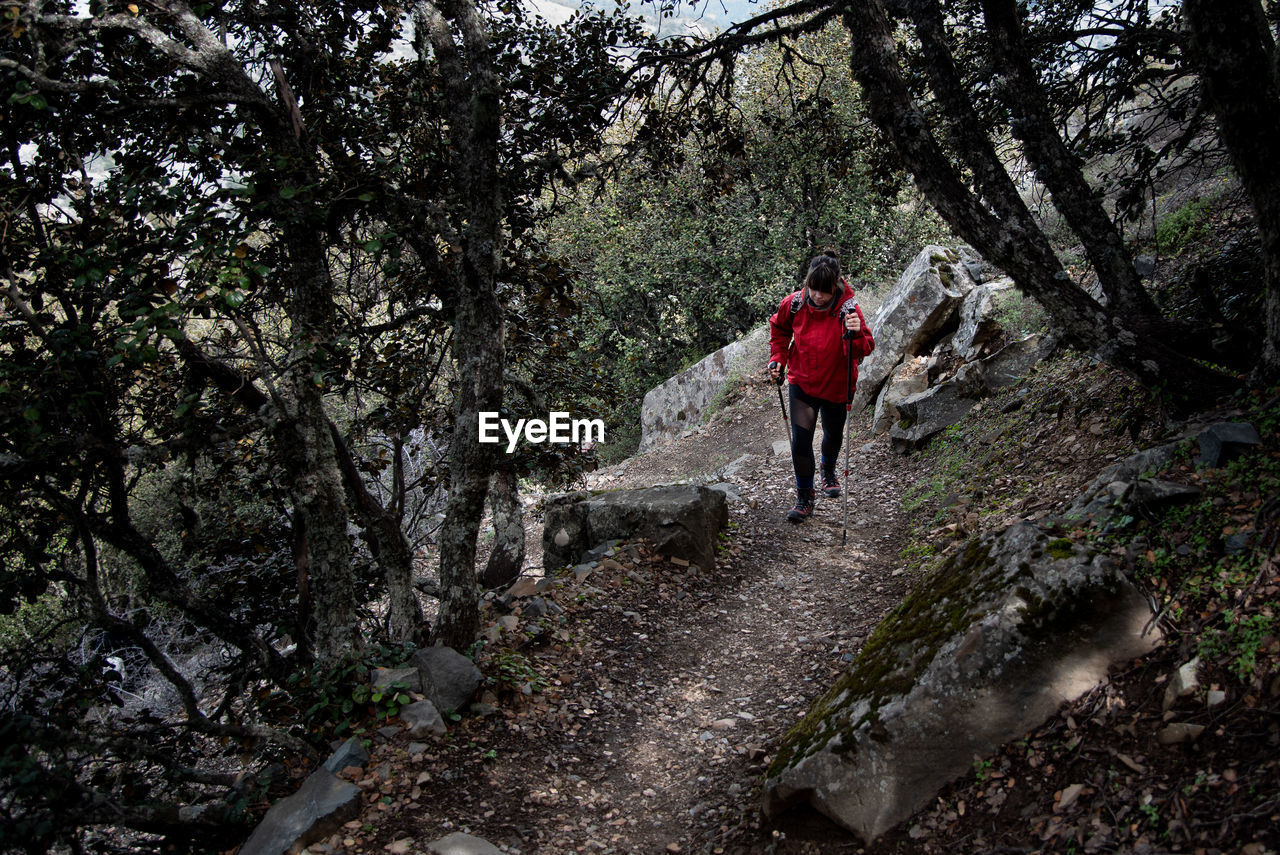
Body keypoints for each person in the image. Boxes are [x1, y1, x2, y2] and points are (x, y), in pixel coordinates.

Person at [768, 253, 875, 523]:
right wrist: (777, 359)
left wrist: (854, 332)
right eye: (813, 289)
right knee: (801, 442)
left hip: (837, 385)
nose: (817, 296)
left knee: (833, 434)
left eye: (824, 292)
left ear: (836, 286)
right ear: (808, 283)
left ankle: (828, 470)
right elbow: (779, 330)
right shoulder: (793, 303)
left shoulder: (849, 311)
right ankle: (805, 497)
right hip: (802, 382)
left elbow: (864, 349)